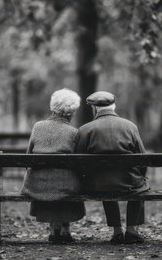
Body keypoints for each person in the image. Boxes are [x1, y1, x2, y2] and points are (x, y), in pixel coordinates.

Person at [75, 91, 149, 244]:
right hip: (130, 183)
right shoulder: (130, 127)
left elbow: (78, 161)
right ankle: (131, 229)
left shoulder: (85, 129)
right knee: (141, 184)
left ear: (94, 109)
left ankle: (116, 231)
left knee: (105, 180)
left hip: (98, 184)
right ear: (114, 107)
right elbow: (143, 158)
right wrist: (141, 175)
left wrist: (87, 178)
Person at [21, 88, 85, 243]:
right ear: (72, 112)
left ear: (53, 106)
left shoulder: (38, 127)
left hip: (37, 185)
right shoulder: (74, 132)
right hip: (66, 187)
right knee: (66, 179)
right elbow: (79, 164)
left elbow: (28, 155)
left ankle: (53, 229)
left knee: (52, 178)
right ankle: (65, 230)